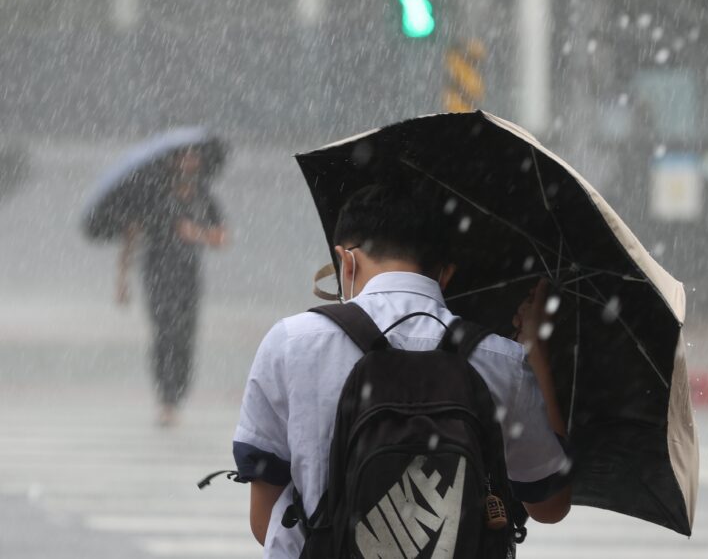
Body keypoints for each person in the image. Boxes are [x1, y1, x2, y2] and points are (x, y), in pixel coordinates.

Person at [232, 184, 571, 558]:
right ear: (445, 274)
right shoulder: (500, 359)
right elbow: (550, 505)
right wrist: (535, 353)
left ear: (346, 262)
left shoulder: (292, 342)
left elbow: (264, 521)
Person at [116, 147, 227, 426]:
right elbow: (132, 235)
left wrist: (196, 232)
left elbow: (222, 237)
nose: (190, 162)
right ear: (173, 161)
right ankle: (166, 399)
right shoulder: (155, 196)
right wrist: (121, 280)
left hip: (189, 276)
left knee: (186, 335)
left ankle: (177, 393)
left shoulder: (204, 197)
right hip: (157, 275)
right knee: (165, 333)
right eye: (184, 157)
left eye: (194, 157)